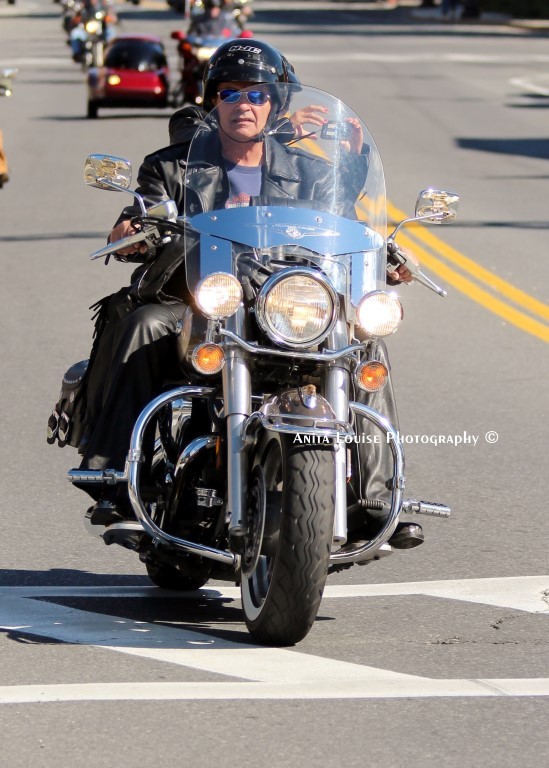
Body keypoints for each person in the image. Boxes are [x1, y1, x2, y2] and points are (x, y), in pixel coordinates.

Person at [76, 39, 420, 547]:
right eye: (230, 93)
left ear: (274, 105)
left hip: (285, 306)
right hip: (198, 303)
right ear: (213, 101)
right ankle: (115, 478)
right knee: (144, 324)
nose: (244, 104)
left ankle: (375, 497)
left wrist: (387, 255)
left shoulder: (309, 170)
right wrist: (133, 230)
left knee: (364, 344)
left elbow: (344, 225)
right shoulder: (171, 167)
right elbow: (140, 214)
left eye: (257, 94)